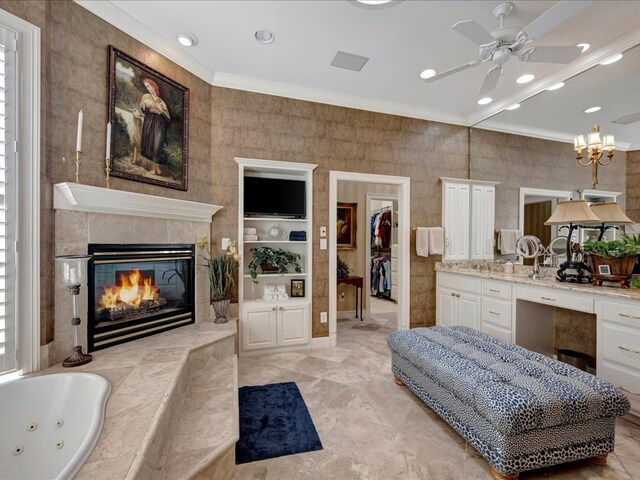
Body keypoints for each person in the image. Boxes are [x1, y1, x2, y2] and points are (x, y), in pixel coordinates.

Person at [139, 77, 170, 175]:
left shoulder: (161, 101)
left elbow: (168, 118)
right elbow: (143, 109)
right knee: (151, 144)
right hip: (150, 124)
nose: (147, 88)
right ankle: (155, 167)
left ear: (153, 87)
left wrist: (160, 111)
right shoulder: (146, 96)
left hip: (160, 125)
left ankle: (155, 166)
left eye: (148, 86)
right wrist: (153, 110)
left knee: (157, 145)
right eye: (146, 87)